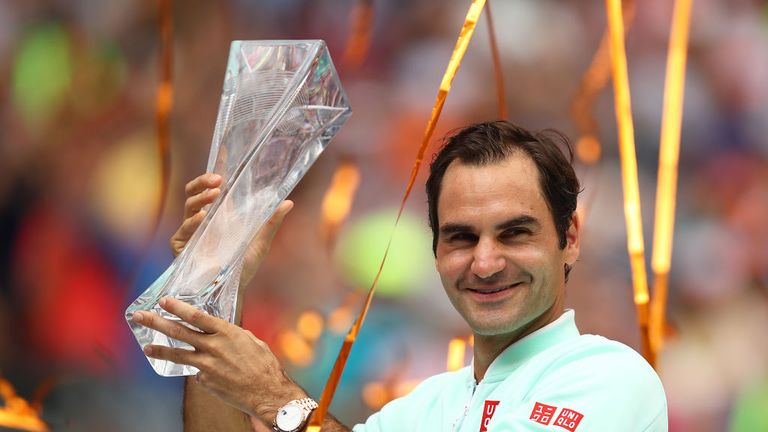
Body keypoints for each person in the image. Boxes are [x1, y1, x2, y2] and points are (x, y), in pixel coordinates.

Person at [131, 121, 667, 431]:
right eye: (461, 237)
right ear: (436, 250)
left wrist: (273, 397)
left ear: (568, 237)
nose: (484, 262)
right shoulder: (418, 411)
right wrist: (217, 285)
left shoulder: (614, 380)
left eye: (514, 233)